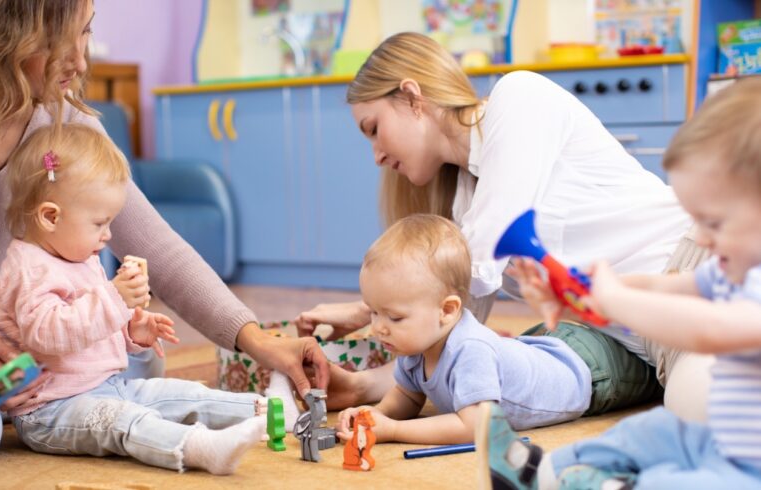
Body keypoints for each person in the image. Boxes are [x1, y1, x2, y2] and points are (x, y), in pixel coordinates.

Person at [0, 0, 327, 467]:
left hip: (16, 341)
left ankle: (34, 405)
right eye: (59, 41)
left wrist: (260, 342)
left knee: (143, 356)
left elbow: (160, 249)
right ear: (7, 34)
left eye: (86, 33)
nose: (81, 61)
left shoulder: (67, 129)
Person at [295, 32, 710, 415]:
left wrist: (370, 309)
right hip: (640, 344)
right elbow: (445, 339)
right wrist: (362, 385)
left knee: (703, 408)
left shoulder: (519, 98)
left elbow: (485, 255)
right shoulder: (463, 206)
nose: (377, 156)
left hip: (694, 273)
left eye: (374, 129)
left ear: (411, 97)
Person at [481, 77, 761, 490]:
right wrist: (581, 295)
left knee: (671, 481)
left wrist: (613, 299)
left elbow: (705, 328)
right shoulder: (730, 269)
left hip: (749, 469)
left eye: (714, 223)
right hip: (721, 438)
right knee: (646, 433)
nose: (699, 238)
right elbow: (665, 289)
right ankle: (538, 473)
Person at [0, 123, 275, 474]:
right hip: (52, 409)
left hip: (107, 385)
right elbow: (47, 334)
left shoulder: (80, 257)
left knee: (176, 393)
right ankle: (197, 447)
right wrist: (114, 299)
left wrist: (130, 333)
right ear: (50, 216)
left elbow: (91, 330)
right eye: (99, 223)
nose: (109, 235)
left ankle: (265, 410)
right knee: (128, 421)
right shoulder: (28, 266)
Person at [335, 214, 658, 446]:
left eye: (393, 317)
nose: (378, 328)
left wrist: (392, 431)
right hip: (549, 345)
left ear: (447, 311)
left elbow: (476, 427)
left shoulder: (468, 349)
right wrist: (374, 414)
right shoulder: (413, 346)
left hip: (591, 373)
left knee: (657, 376)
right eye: (374, 312)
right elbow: (408, 395)